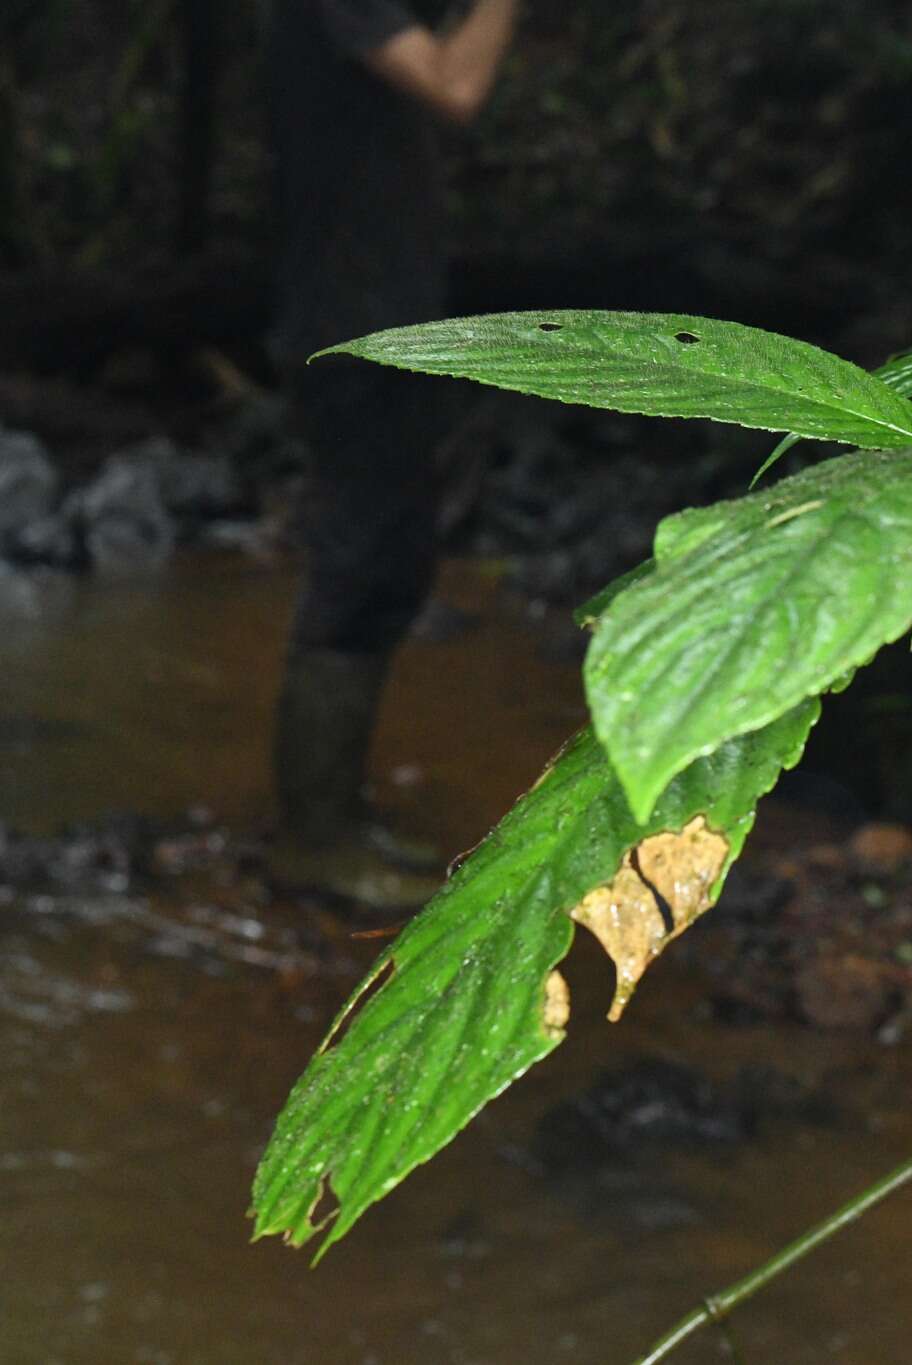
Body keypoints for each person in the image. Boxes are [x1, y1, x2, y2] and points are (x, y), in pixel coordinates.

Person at [267, 0, 519, 906]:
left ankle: (335, 818)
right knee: (358, 558)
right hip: (351, 326)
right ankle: (313, 840)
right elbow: (455, 87)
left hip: (387, 324)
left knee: (391, 563)